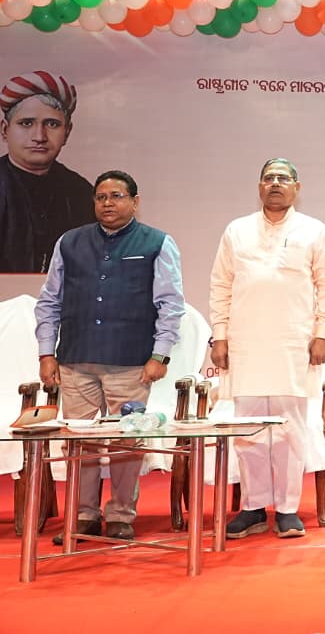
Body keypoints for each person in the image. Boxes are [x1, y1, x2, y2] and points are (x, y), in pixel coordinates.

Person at [33, 170, 185, 543]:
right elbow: (50, 301)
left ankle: (120, 515)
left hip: (131, 362)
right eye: (101, 197)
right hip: (76, 358)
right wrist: (46, 353)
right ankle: (84, 515)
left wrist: (160, 355)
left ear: (135, 201)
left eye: (117, 196)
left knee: (125, 441)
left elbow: (170, 305)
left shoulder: (157, 243)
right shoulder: (70, 242)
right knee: (80, 442)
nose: (107, 203)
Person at [210, 159, 325, 540]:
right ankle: (253, 508)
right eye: (269, 178)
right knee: (248, 430)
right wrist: (220, 336)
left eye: (283, 178)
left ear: (297, 187)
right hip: (246, 344)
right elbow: (220, 284)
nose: (276, 184)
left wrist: (322, 334)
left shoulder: (314, 230)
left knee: (289, 431)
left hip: (293, 343)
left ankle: (286, 509)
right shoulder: (237, 230)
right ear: (259, 187)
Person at [0, 70, 94, 273]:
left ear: (67, 132)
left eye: (52, 124)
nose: (39, 136)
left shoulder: (82, 193)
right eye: (26, 123)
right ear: (5, 130)